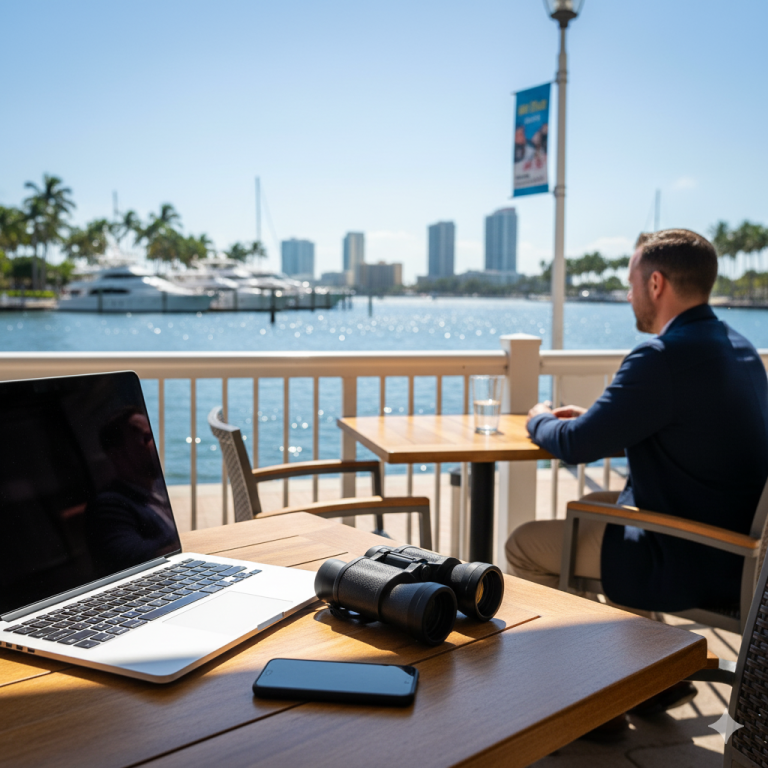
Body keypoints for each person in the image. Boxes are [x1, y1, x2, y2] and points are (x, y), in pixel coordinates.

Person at [506, 228, 768, 718]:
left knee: (524, 544)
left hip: (690, 555)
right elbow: (691, 427)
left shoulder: (662, 357)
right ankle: (649, 678)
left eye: (632, 283)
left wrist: (537, 414)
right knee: (594, 509)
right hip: (740, 550)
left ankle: (580, 704)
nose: (628, 295)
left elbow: (576, 445)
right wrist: (607, 415)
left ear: (656, 285)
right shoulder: (740, 349)